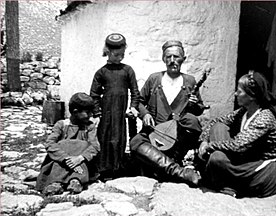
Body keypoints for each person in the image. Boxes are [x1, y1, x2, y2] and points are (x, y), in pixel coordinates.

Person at [130, 40, 206, 187]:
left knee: (192, 121)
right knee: (136, 142)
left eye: (176, 57)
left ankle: (170, 165)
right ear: (163, 59)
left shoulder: (189, 81)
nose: (172, 61)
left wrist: (195, 104)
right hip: (153, 132)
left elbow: (198, 110)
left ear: (183, 59)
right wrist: (145, 114)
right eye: (168, 57)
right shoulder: (154, 79)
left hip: (177, 138)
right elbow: (138, 102)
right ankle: (180, 172)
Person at [197, 71, 276, 198]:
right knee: (218, 127)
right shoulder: (244, 111)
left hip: (261, 171)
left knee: (216, 159)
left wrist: (209, 146)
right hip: (245, 158)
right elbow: (216, 121)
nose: (236, 94)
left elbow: (237, 145)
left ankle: (229, 185)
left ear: (252, 96)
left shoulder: (264, 118)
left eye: (240, 91)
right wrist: (204, 140)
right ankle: (226, 180)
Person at [90, 33, 140, 181]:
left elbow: (135, 92)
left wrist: (133, 107)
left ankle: (118, 168)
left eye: (122, 54)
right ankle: (105, 170)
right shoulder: (101, 72)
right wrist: (97, 113)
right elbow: (94, 94)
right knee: (105, 138)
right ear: (108, 52)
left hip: (121, 112)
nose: (120, 58)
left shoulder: (127, 70)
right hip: (106, 112)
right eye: (117, 55)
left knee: (119, 139)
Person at [36, 92, 100, 195]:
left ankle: (76, 181)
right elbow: (50, 144)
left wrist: (79, 158)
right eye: (87, 112)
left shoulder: (90, 127)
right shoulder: (61, 125)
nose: (90, 115)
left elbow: (95, 146)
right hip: (62, 162)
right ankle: (56, 182)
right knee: (63, 144)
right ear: (75, 112)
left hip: (81, 162)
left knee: (83, 145)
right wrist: (66, 159)